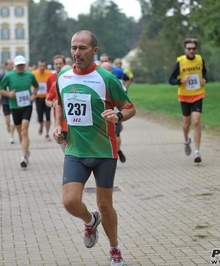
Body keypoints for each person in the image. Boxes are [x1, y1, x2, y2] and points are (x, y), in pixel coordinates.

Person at [53, 30, 136, 266]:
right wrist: (60, 128)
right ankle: (90, 222)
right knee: (69, 202)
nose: (77, 53)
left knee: (105, 204)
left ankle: (114, 248)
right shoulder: (63, 77)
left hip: (103, 151)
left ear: (94, 51)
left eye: (82, 48)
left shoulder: (106, 79)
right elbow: (61, 106)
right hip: (75, 150)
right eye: (74, 48)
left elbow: (130, 108)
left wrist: (118, 115)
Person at [168, 38, 208, 163]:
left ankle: (197, 152)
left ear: (196, 49)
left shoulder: (200, 60)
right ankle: (186, 141)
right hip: (184, 96)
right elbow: (171, 80)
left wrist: (205, 80)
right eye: (189, 48)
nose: (191, 51)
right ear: (185, 49)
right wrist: (181, 81)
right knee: (186, 124)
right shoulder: (180, 62)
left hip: (198, 94)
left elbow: (205, 73)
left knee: (196, 122)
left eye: (193, 48)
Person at [0, 55, 39, 168]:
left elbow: (36, 87)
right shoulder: (9, 76)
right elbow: (0, 89)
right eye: (18, 65)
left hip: (27, 106)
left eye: (22, 65)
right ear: (15, 66)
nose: (20, 67)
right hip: (14, 107)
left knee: (24, 131)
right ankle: (25, 150)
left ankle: (23, 157)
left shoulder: (30, 75)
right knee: (20, 132)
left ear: (25, 65)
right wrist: (9, 94)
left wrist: (34, 95)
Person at [100, 62, 128, 163]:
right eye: (104, 70)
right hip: (99, 116)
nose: (106, 72)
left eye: (108, 70)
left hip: (115, 115)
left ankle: (117, 151)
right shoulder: (95, 82)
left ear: (112, 71)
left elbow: (125, 99)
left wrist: (120, 115)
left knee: (116, 135)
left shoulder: (117, 82)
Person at [0, 59, 16, 144]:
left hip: (14, 101)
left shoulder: (16, 75)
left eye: (13, 64)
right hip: (5, 101)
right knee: (7, 121)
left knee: (13, 120)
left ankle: (11, 136)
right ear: (6, 66)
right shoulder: (2, 76)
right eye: (10, 64)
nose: (12, 66)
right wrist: (4, 93)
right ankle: (8, 126)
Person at [32, 60, 53, 141]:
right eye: (40, 66)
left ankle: (47, 133)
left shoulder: (49, 73)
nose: (41, 68)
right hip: (38, 98)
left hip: (47, 98)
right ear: (38, 65)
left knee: (48, 116)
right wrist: (32, 95)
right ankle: (41, 124)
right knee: (40, 116)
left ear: (45, 66)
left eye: (43, 66)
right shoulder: (34, 73)